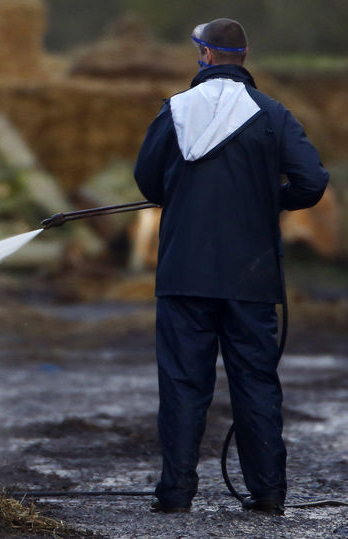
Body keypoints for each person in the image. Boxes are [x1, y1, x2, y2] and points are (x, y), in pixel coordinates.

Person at [133, 18, 329, 515]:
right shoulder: (272, 113)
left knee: (182, 384)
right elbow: (311, 181)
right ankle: (268, 495)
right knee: (256, 382)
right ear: (244, 55)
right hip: (252, 276)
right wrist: (271, 200)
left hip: (183, 275)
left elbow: (148, 183)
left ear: (204, 55)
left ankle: (175, 496)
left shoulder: (175, 109)